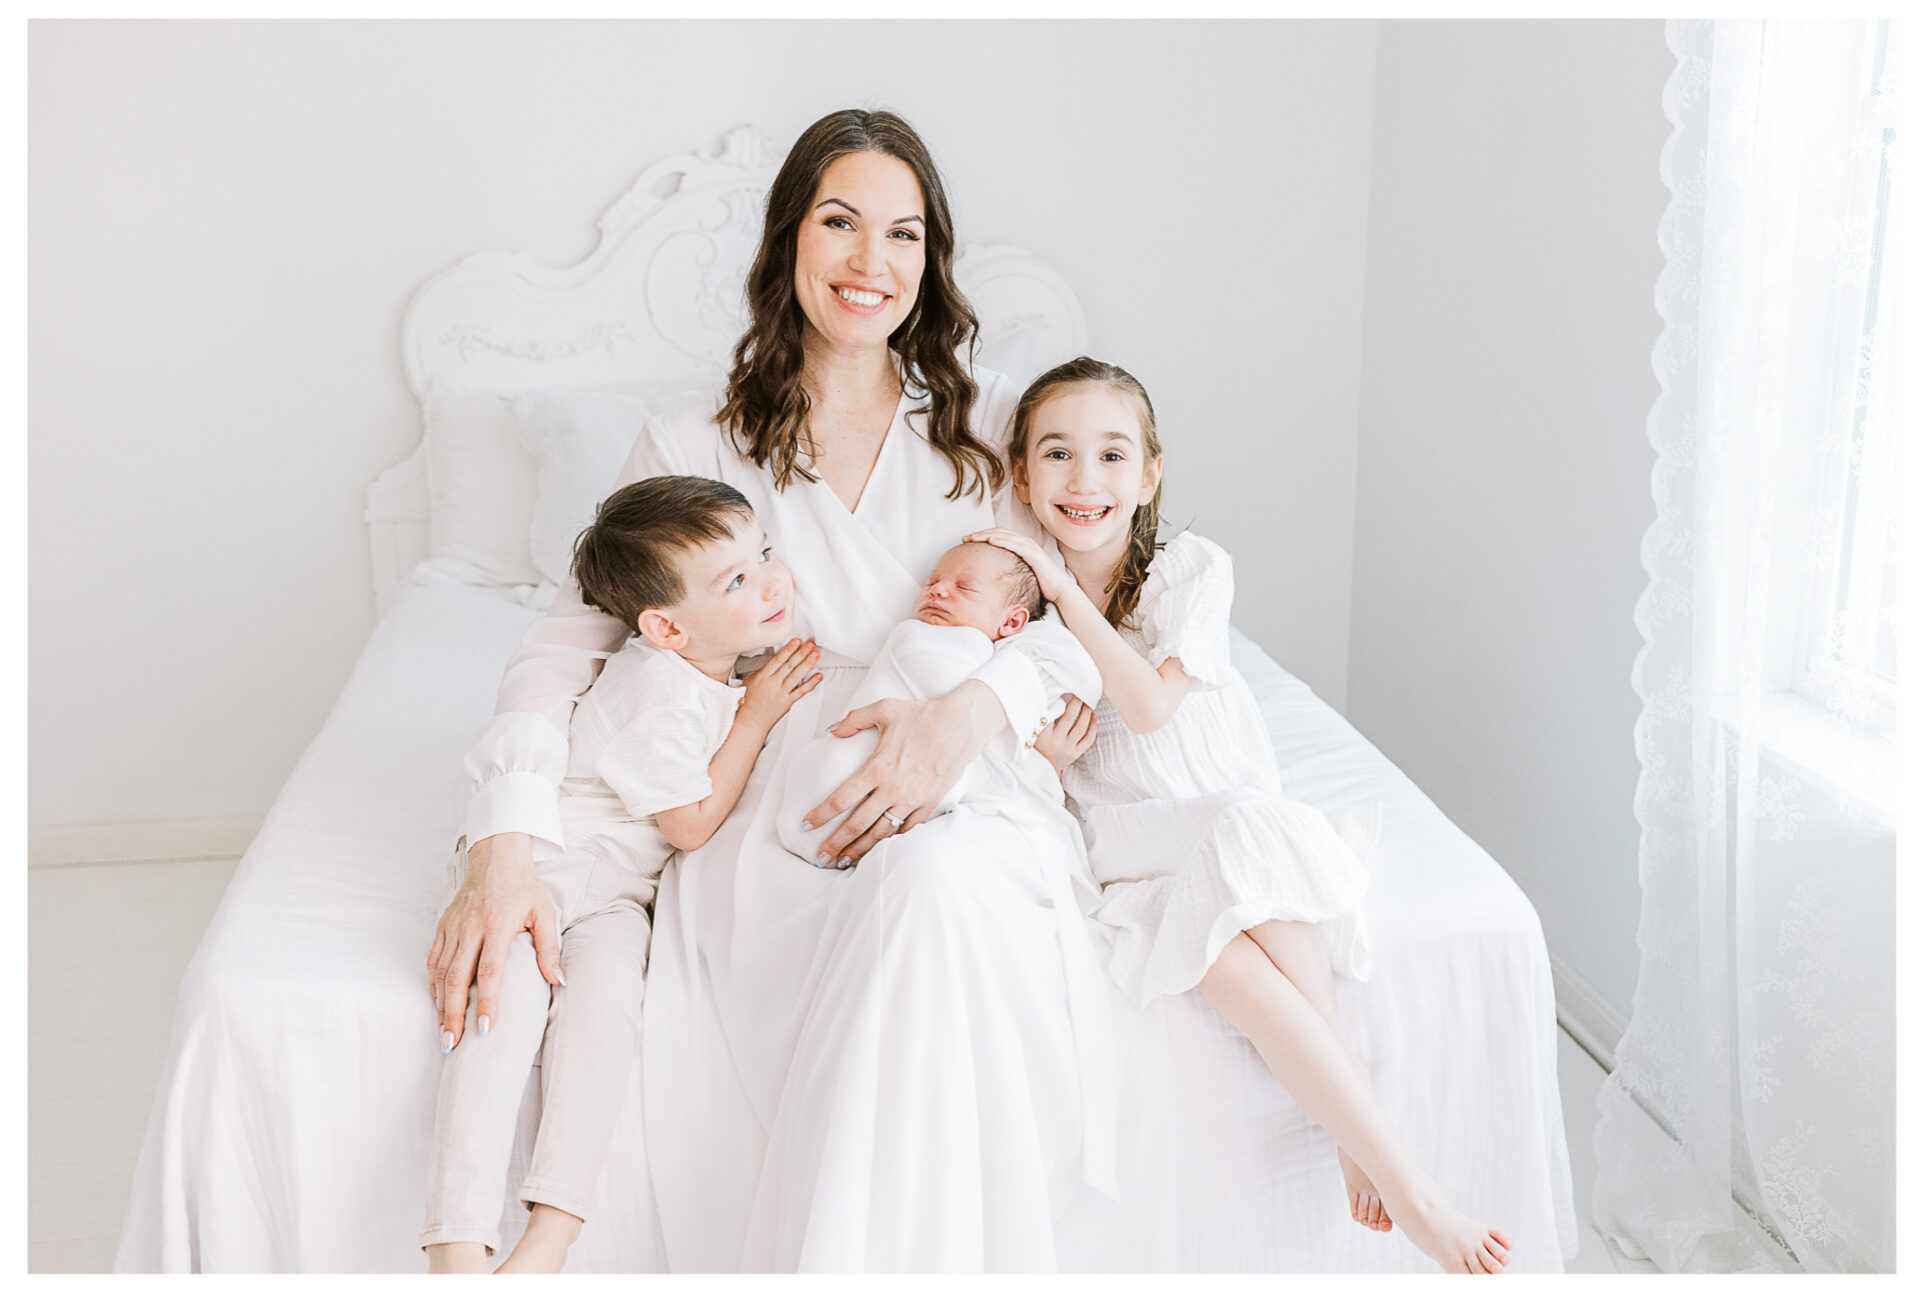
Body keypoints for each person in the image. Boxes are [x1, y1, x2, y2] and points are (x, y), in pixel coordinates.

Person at [427, 109, 1172, 1272]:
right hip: (779, 798)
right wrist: (506, 831)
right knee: (883, 899)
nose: (871, 263)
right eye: (839, 223)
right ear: (787, 242)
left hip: (962, 773)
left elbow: (1064, 620)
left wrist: (969, 716)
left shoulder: (983, 440)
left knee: (939, 885)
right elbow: (569, 644)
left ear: (930, 265)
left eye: (903, 235)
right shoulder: (693, 439)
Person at [969, 356, 1515, 1275]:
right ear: (1022, 476)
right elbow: (1022, 734)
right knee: (1224, 910)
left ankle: (1392, 1168)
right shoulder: (1016, 595)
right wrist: (1044, 748)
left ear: (1149, 475)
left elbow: (1145, 705)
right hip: (1131, 840)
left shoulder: (1190, 568)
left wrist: (1066, 595)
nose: (1083, 479)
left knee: (1234, 886)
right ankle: (1387, 1155)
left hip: (1220, 800)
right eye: (1056, 454)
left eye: (1111, 455)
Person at [423, 477, 821, 1272]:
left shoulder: (709, 660)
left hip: (615, 900)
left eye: (764, 554)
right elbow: (691, 822)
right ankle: (457, 1248)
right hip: (553, 871)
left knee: (606, 1022)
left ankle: (552, 1235)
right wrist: (756, 716)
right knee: (499, 1025)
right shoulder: (657, 692)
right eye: (737, 579)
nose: (772, 580)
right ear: (666, 627)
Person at [775, 540, 1068, 866]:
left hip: (891, 811)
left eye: (964, 587)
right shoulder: (915, 637)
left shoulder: (994, 652)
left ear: (1012, 623)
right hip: (839, 777)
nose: (937, 590)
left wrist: (1048, 764)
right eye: (932, 582)